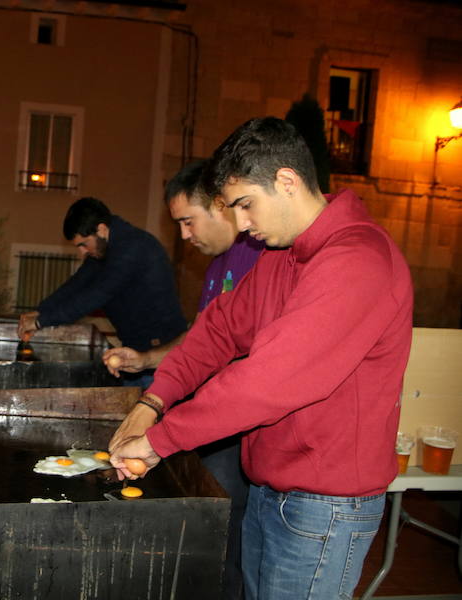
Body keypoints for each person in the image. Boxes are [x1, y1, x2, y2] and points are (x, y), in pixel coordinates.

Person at [108, 117, 413, 600]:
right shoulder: (280, 255)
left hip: (324, 507)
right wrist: (154, 401)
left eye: (246, 205)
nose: (243, 224)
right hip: (270, 490)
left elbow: (269, 381)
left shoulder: (359, 260)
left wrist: (160, 440)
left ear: (287, 181)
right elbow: (217, 330)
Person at [104, 160, 264, 599]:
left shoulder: (259, 256)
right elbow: (200, 340)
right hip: (208, 420)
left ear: (220, 205)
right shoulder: (216, 269)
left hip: (238, 424)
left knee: (224, 541)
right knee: (205, 536)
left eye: (188, 221)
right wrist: (145, 360)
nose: (184, 235)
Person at [17, 197, 187, 387]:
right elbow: (77, 285)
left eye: (83, 244)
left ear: (101, 229)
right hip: (135, 354)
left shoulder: (133, 248)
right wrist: (40, 311)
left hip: (161, 359)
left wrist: (40, 321)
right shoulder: (105, 249)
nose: (82, 252)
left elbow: (95, 295)